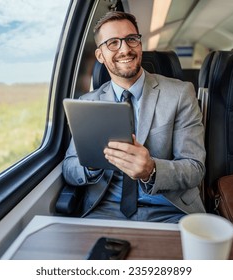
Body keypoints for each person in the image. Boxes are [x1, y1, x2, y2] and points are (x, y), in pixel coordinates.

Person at [62, 11, 206, 223]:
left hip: (168, 209)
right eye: (113, 43)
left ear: (140, 45)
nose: (125, 49)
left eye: (131, 39)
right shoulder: (88, 103)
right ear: (100, 55)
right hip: (104, 209)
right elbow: (69, 168)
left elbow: (195, 169)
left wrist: (151, 170)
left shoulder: (180, 93)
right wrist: (91, 164)